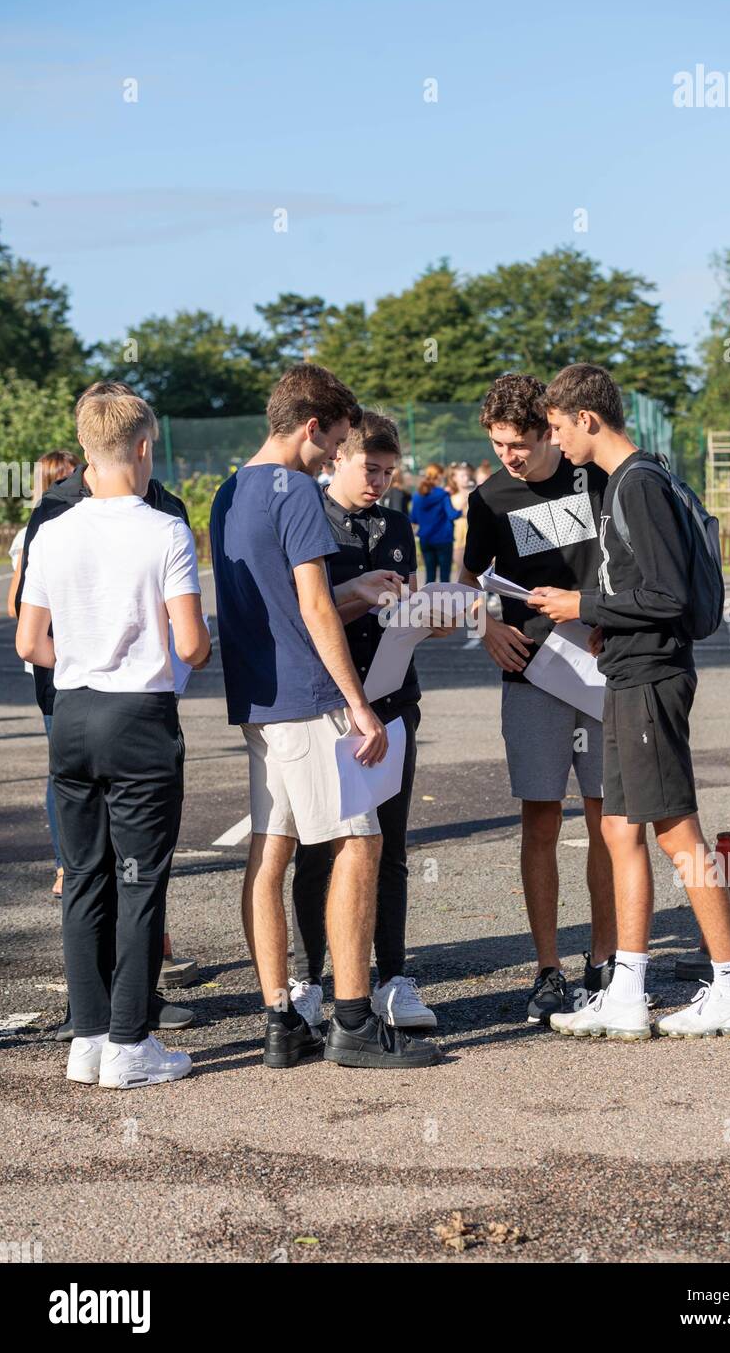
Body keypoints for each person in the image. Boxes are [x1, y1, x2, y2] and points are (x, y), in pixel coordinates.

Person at [209, 364, 441, 1070]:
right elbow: (314, 606)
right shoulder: (298, 492)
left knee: (270, 852)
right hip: (310, 699)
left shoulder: (226, 492)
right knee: (359, 844)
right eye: (335, 441)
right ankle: (352, 1022)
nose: (334, 455)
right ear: (313, 429)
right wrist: (360, 705)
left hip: (256, 700)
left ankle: (281, 1017)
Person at [528, 362, 730, 1041]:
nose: (556, 440)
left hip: (653, 677)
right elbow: (646, 594)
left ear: (587, 419)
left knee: (676, 830)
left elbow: (668, 599)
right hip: (630, 672)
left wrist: (583, 604)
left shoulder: (638, 484)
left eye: (558, 426)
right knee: (620, 828)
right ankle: (626, 988)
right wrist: (604, 624)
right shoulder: (624, 484)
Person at [16, 392, 211, 1088]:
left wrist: (85, 654)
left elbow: (27, 640)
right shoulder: (163, 529)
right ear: (144, 448)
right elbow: (189, 642)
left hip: (71, 713)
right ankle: (131, 1041)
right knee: (140, 881)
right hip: (139, 718)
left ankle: (89, 1037)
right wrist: (187, 649)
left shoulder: (52, 530)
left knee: (86, 878)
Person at [458, 373, 616, 1024]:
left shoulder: (595, 479)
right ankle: (548, 968)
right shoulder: (489, 497)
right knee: (541, 821)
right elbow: (468, 577)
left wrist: (612, 617)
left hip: (603, 666)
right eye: (498, 444)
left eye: (519, 443)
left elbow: (627, 565)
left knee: (611, 821)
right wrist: (486, 624)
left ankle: (606, 959)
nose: (510, 457)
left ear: (551, 430)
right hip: (533, 674)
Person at [290, 410, 436, 1029]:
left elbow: (402, 599)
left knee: (392, 847)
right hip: (330, 706)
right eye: (369, 468)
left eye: (388, 471)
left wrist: (429, 613)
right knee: (322, 847)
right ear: (337, 460)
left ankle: (394, 979)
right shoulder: (308, 519)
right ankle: (309, 979)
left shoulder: (398, 523)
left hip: (395, 701)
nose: (379, 480)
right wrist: (358, 597)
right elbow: (305, 621)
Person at [8, 449, 81, 900]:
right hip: (53, 661)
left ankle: (76, 867)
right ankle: (63, 866)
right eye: (62, 479)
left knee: (69, 769)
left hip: (58, 658)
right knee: (64, 770)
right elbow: (16, 604)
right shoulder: (38, 529)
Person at [410, 464, 461, 581]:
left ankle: (429, 599)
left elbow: (413, 518)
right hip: (443, 539)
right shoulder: (443, 494)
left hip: (425, 539)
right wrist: (461, 510)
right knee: (444, 576)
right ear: (438, 476)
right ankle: (444, 600)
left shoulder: (417, 495)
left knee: (430, 575)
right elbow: (452, 515)